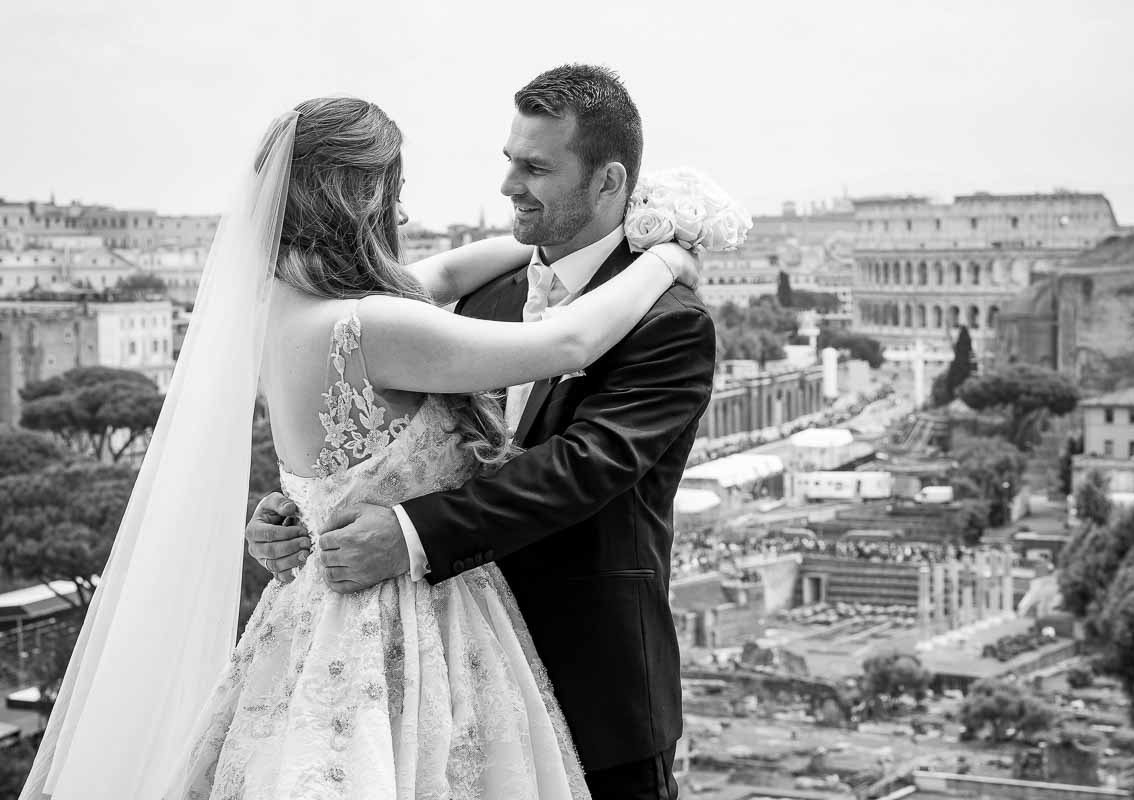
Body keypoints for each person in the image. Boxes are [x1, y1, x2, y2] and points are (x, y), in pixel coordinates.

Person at [20, 91, 701, 799]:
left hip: (387, 638)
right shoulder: (377, 325)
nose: (406, 215)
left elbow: (447, 301)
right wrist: (663, 258)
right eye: (396, 194)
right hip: (411, 638)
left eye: (533, 167)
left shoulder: (285, 305)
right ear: (363, 200)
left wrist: (301, 515)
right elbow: (565, 343)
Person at [248, 64, 716, 799]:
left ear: (608, 181)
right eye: (509, 161)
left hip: (592, 685)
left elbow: (578, 469)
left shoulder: (671, 323)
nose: (508, 186)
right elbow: (386, 441)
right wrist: (298, 513)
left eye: (535, 168)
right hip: (425, 685)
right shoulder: (460, 300)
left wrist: (407, 532)